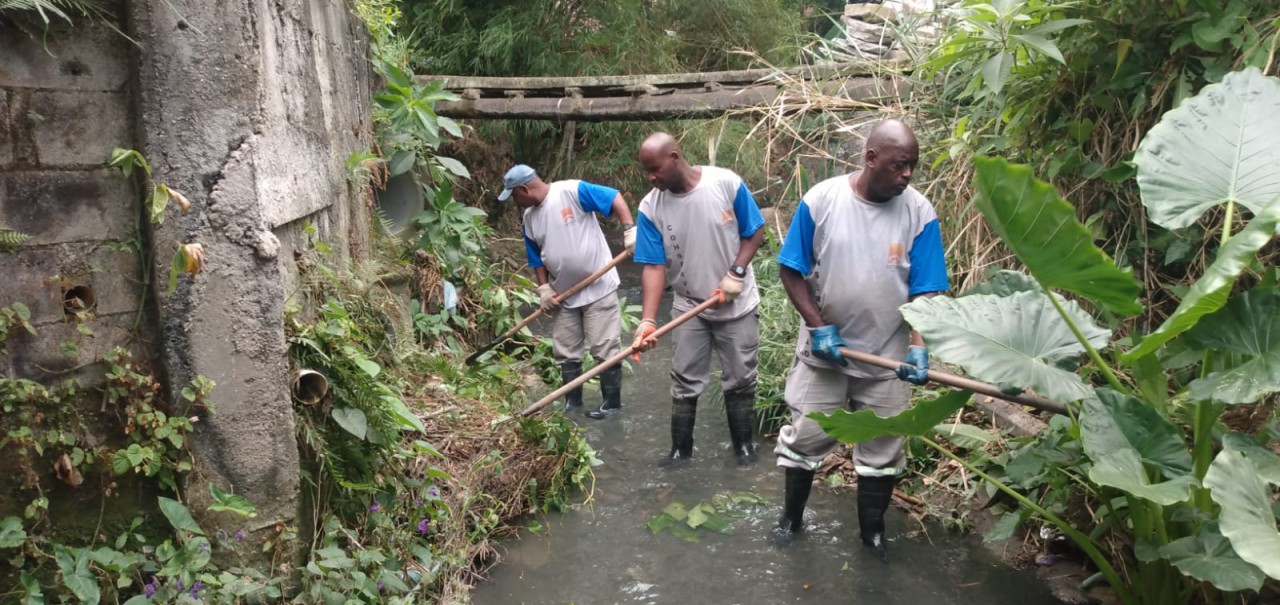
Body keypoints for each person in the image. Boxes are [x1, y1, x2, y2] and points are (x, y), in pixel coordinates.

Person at [771, 119, 949, 556]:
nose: (908, 174)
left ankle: (873, 538)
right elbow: (791, 268)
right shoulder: (822, 200)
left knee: (883, 450)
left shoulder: (919, 212)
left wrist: (918, 345)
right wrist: (817, 325)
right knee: (806, 440)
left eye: (913, 165)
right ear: (871, 158)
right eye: (899, 165)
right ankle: (790, 522)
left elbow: (926, 288)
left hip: (887, 356)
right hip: (824, 354)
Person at [631, 133, 766, 465]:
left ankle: (743, 448)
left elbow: (754, 231)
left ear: (675, 158)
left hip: (736, 301)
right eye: (647, 171)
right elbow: (653, 266)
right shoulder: (650, 207)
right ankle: (680, 452)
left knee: (740, 378)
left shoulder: (725, 183)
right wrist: (648, 320)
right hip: (689, 306)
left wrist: (736, 272)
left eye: (655, 169)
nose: (651, 177)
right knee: (684, 379)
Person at [500, 164, 637, 419]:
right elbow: (536, 258)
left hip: (598, 287)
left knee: (604, 347)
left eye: (514, 196)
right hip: (563, 293)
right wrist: (543, 288)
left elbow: (614, 197)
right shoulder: (529, 218)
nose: (514, 202)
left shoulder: (571, 191)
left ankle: (611, 404)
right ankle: (572, 404)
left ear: (524, 189)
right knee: (566, 350)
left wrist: (629, 230)